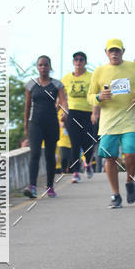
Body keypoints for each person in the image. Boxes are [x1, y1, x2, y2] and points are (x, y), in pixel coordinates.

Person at [88, 39, 135, 209]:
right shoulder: (99, 71)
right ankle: (116, 194)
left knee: (131, 155)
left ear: (123, 51)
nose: (114, 54)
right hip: (108, 123)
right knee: (109, 158)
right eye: (111, 51)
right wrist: (99, 97)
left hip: (129, 120)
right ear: (106, 52)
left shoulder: (134, 67)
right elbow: (90, 96)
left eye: (117, 51)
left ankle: (129, 180)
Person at [24, 56, 67, 198]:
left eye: (46, 65)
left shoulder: (57, 85)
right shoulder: (31, 85)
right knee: (35, 153)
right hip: (35, 123)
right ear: (37, 67)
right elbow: (27, 106)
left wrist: (64, 113)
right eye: (41, 65)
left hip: (51, 123)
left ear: (50, 67)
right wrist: (26, 125)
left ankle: (50, 186)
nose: (43, 67)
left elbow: (63, 101)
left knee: (50, 155)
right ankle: (32, 187)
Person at [61, 51, 95, 183]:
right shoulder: (66, 78)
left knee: (87, 142)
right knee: (75, 143)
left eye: (81, 60)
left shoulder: (91, 77)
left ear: (85, 62)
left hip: (87, 113)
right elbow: (62, 97)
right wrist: (62, 113)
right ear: (73, 62)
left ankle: (88, 164)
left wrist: (95, 113)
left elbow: (95, 95)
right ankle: (75, 171)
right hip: (72, 112)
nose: (79, 62)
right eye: (76, 60)